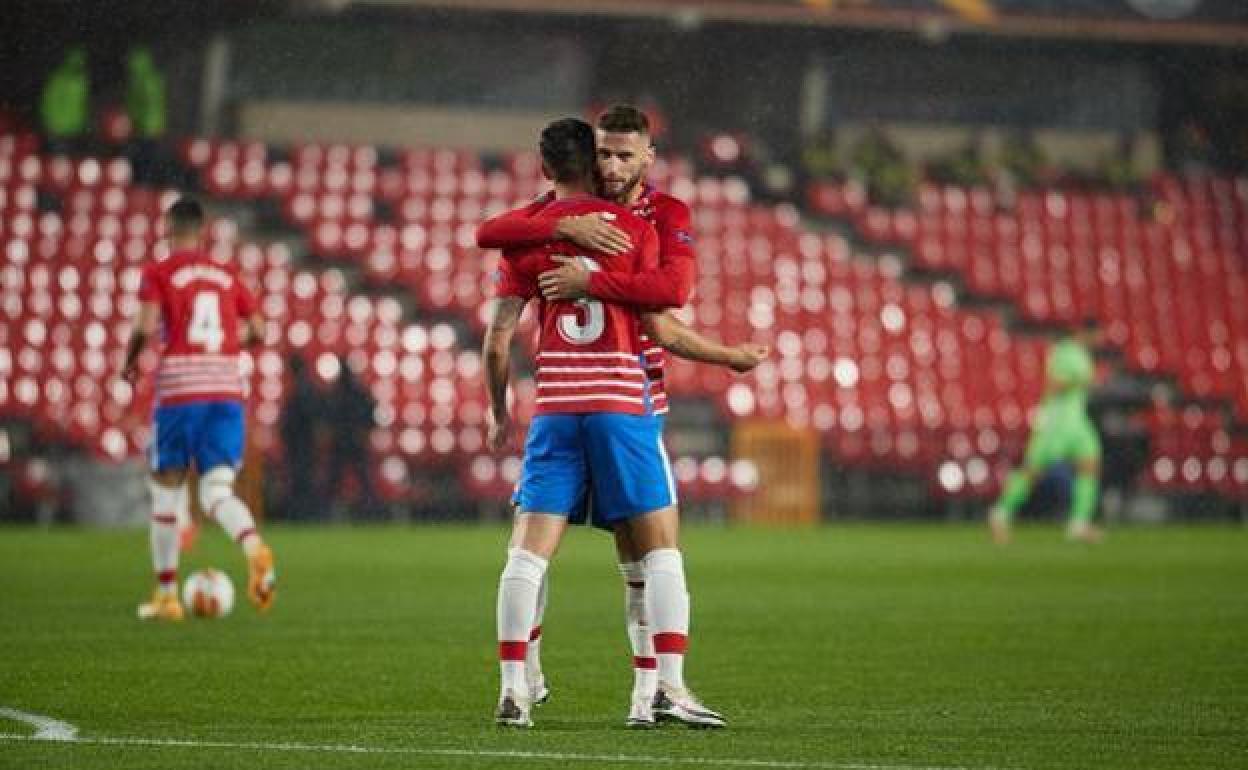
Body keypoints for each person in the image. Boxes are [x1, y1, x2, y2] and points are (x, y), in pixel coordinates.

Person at [479, 105, 765, 727]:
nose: (612, 165)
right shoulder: (618, 230)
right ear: (591, 156)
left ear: (648, 158)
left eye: (624, 155)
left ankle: (618, 695)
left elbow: (494, 251)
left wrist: (586, 278)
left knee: (572, 552)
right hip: (621, 400)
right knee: (656, 551)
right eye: (603, 154)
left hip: (568, 404)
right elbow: (665, 310)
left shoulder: (656, 215)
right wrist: (729, 358)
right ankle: (655, 686)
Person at [121, 197, 277, 620]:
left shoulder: (160, 272)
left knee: (166, 492)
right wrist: (227, 346)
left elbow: (144, 325)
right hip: (226, 391)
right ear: (204, 230)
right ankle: (253, 546)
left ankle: (167, 596)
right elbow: (260, 329)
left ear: (169, 228)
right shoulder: (226, 275)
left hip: (181, 392)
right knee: (215, 492)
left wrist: (131, 359)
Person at [989, 319, 1104, 545]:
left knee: (1090, 465)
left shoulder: (1083, 355)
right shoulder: (1063, 352)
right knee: (1033, 471)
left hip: (1077, 419)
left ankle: (1078, 524)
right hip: (1057, 419)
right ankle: (1000, 514)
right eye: (1098, 335)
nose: (1100, 340)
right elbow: (1054, 385)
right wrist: (1083, 381)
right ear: (1086, 332)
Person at [323, 356, 379, 519]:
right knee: (362, 481)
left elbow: (328, 418)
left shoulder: (337, 393)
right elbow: (371, 413)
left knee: (338, 481)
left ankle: (327, 514)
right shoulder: (356, 392)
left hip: (343, 442)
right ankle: (370, 512)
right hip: (351, 441)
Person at [280, 354, 324, 521]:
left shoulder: (302, 389)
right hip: (304, 443)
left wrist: (288, 432)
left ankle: (303, 514)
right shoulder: (306, 387)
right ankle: (306, 514)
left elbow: (301, 418)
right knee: (304, 478)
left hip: (301, 443)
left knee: (302, 479)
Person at [125, 46, 168, 185]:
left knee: (145, 158)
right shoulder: (143, 79)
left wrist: (140, 122)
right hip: (146, 126)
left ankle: (144, 185)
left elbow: (150, 105)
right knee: (143, 158)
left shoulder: (146, 81)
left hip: (146, 127)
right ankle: (142, 183)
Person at [40, 47, 89, 155]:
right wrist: (49, 121)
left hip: (72, 128)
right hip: (60, 127)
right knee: (61, 161)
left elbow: (82, 104)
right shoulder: (61, 79)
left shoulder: (80, 80)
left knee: (70, 161)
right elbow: (49, 101)